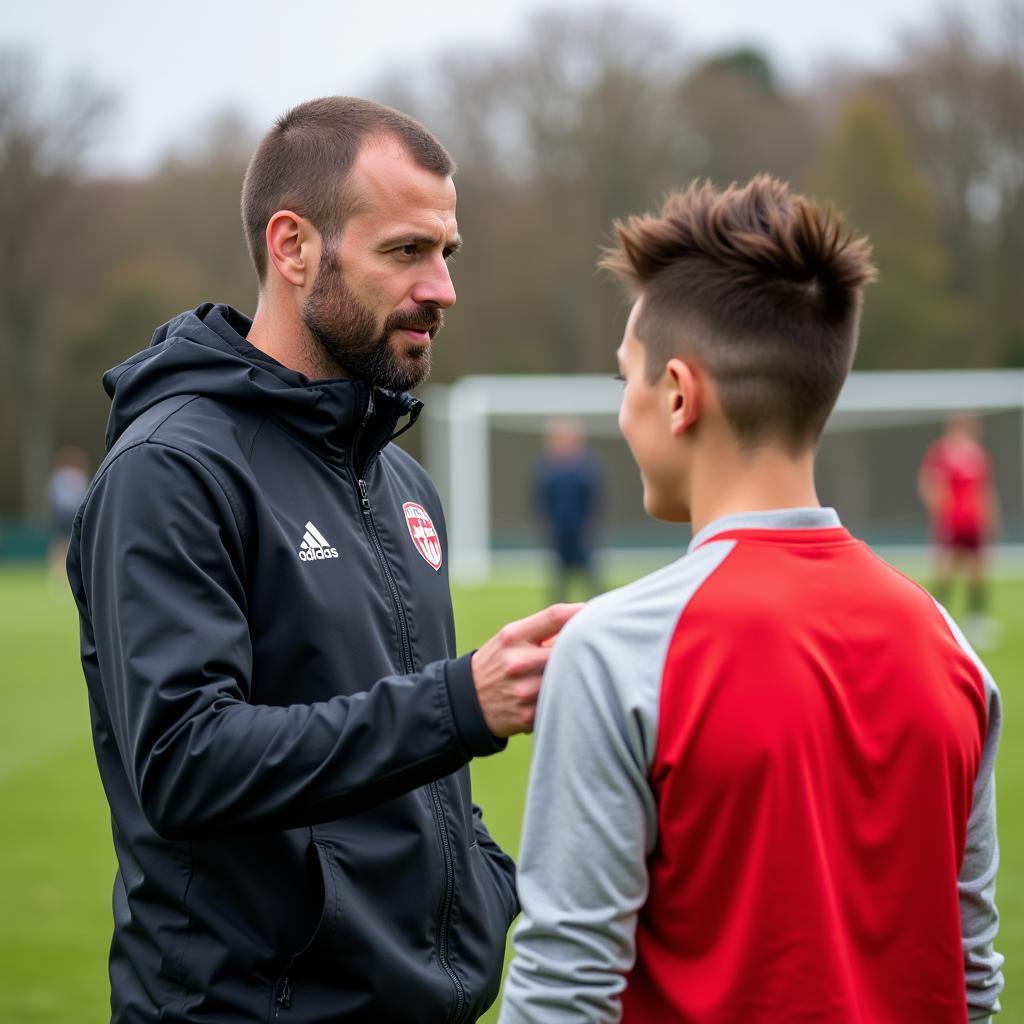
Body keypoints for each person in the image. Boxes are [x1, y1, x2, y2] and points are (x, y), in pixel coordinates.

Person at [66, 97, 578, 1024]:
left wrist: (487, 884)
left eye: (447, 254)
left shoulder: (403, 484)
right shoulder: (172, 470)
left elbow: (422, 766)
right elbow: (186, 760)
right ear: (293, 248)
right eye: (405, 252)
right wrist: (462, 701)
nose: (442, 289)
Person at [500, 177, 1003, 1023]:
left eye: (627, 380)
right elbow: (971, 977)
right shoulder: (950, 646)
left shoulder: (620, 649)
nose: (622, 414)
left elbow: (563, 993)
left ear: (679, 395)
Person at [919, 413, 1001, 649]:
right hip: (952, 522)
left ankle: (977, 622)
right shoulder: (942, 451)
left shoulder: (978, 455)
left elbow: (985, 489)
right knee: (946, 570)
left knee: (978, 572)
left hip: (974, 522)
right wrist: (940, 511)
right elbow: (930, 483)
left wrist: (991, 517)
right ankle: (936, 620)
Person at [533, 418, 602, 602]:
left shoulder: (586, 469)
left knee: (590, 574)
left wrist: (590, 525)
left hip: (580, 531)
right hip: (558, 531)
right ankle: (556, 609)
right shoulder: (547, 470)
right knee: (559, 578)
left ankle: (596, 603)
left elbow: (595, 499)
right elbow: (541, 499)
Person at [46, 445, 89, 579]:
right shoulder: (69, 476)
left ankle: (62, 572)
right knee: (62, 542)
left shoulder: (61, 476)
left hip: (68, 513)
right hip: (67, 514)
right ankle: (58, 572)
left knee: (64, 542)